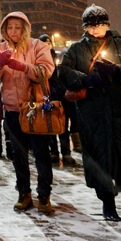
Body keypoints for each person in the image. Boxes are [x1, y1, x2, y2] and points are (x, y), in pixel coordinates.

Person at [58, 4, 121, 223]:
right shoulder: (76, 49)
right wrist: (88, 79)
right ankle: (108, 205)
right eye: (90, 26)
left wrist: (119, 71)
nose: (95, 30)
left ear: (108, 25)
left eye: (99, 25)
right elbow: (63, 72)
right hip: (95, 114)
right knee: (101, 161)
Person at [0, 11, 56, 214]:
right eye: (10, 27)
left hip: (35, 107)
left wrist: (23, 66)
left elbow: (46, 71)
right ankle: (24, 193)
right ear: (4, 30)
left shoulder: (38, 46)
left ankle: (44, 194)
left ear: (25, 28)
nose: (14, 31)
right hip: (12, 109)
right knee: (18, 154)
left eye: (17, 27)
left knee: (41, 153)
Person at [39, 33, 76, 167]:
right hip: (47, 97)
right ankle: (54, 152)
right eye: (44, 43)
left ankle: (66, 152)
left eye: (49, 43)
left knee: (63, 126)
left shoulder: (57, 58)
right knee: (50, 126)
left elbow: (62, 77)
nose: (47, 45)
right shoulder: (39, 59)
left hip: (60, 97)